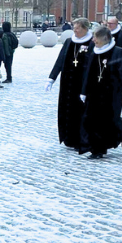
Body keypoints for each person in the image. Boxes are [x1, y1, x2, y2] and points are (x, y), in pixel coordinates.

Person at [79, 26, 122, 159]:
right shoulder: (93, 50)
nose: (93, 40)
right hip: (94, 92)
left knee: (110, 121)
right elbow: (88, 73)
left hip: (113, 93)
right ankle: (97, 150)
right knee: (90, 120)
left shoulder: (118, 52)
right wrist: (84, 91)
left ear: (104, 38)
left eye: (95, 37)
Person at [47, 18, 93, 152]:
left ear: (85, 29)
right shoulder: (69, 41)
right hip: (67, 84)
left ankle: (82, 140)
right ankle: (69, 138)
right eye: (74, 27)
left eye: (77, 28)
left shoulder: (91, 43)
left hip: (82, 84)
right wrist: (51, 78)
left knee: (81, 112)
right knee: (67, 110)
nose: (75, 30)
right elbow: (60, 60)